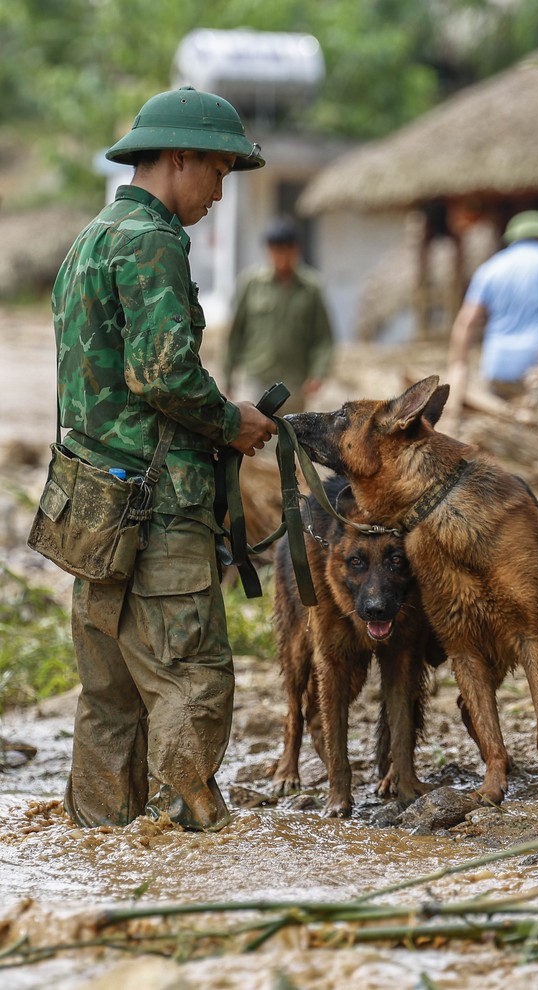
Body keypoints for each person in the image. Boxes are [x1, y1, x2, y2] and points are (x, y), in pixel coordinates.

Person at [53, 86, 278, 832]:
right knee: (191, 676)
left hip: (91, 504)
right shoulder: (153, 240)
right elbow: (161, 374)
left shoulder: (92, 235)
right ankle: (195, 840)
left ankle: (103, 847)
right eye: (217, 170)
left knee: (110, 694)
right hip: (152, 508)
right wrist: (231, 422)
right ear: (179, 158)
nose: (219, 190)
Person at [444, 209, 538, 424]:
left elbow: (467, 321)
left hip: (497, 364)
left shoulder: (490, 268)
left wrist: (457, 363)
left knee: (503, 426)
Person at [224, 215, 335, 412]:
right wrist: (227, 376)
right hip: (256, 380)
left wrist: (318, 373)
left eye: (286, 251)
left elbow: (323, 338)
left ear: (296, 250)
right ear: (267, 251)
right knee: (253, 437)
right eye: (275, 251)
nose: (281, 258)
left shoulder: (311, 288)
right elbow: (234, 334)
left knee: (288, 439)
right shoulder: (251, 284)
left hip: (294, 384)